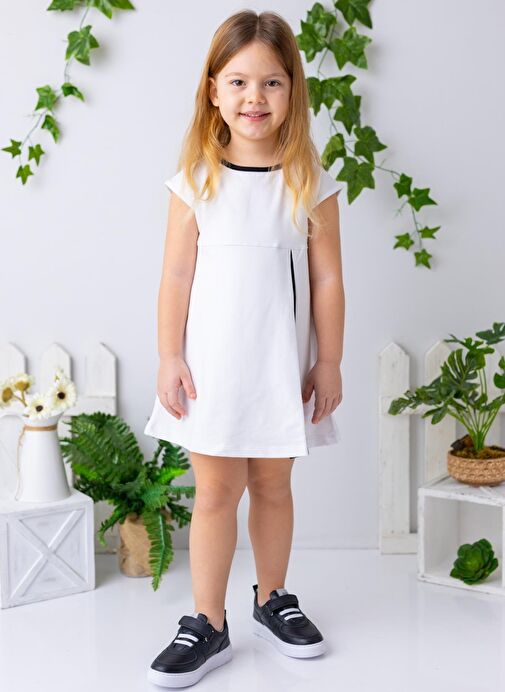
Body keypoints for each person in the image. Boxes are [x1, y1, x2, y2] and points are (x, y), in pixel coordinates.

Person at [144, 8, 344, 688]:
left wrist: (327, 360)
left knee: (274, 485)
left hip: (278, 368)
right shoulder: (195, 180)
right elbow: (175, 276)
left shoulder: (307, 181)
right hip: (211, 372)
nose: (253, 97)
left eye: (270, 82)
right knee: (214, 493)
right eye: (237, 82)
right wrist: (169, 356)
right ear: (213, 90)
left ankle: (271, 598)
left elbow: (327, 279)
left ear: (292, 91)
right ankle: (207, 622)